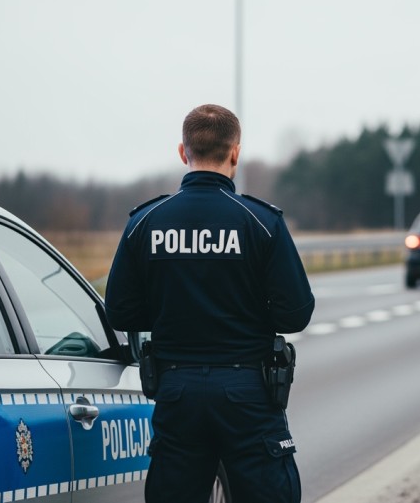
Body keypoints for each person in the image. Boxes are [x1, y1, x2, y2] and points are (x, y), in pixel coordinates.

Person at [105, 103, 314, 503]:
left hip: (176, 391)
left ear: (183, 153)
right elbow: (296, 313)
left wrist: (170, 310)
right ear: (235, 152)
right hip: (248, 391)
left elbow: (120, 311)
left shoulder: (145, 222)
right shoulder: (261, 222)